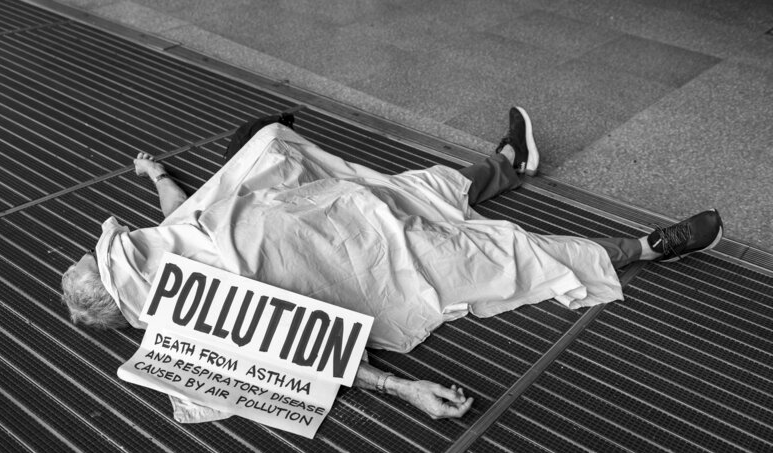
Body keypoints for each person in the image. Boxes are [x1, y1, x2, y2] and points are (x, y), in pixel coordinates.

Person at [61, 107, 723, 422]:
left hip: (331, 211)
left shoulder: (154, 247)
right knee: (506, 256)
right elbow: (296, 360)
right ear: (124, 305)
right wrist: (406, 390)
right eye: (111, 261)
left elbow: (182, 209)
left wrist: (155, 175)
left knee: (419, 189)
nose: (124, 244)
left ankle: (507, 165)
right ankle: (645, 249)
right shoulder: (193, 334)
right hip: (371, 270)